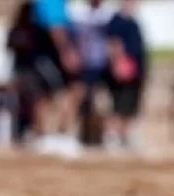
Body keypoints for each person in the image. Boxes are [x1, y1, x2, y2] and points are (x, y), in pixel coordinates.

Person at [31, 0, 84, 152]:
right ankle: (49, 136)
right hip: (50, 55)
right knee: (55, 94)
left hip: (50, 54)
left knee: (63, 93)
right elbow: (56, 29)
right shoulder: (53, 3)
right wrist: (66, 52)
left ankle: (55, 135)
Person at [104, 0, 147, 151]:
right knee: (119, 105)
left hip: (135, 71)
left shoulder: (132, 21)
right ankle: (113, 136)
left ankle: (124, 136)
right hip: (124, 69)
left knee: (130, 105)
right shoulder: (117, 20)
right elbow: (113, 43)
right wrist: (118, 64)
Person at [73, 0, 114, 145]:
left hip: (104, 65)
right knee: (85, 102)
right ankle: (84, 135)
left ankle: (102, 135)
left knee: (102, 102)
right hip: (86, 65)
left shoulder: (108, 15)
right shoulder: (80, 15)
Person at [6, 1, 39, 145]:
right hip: (22, 72)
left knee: (30, 105)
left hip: (30, 72)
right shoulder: (20, 29)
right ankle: (17, 133)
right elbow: (10, 46)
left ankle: (28, 131)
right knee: (20, 105)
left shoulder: (34, 29)